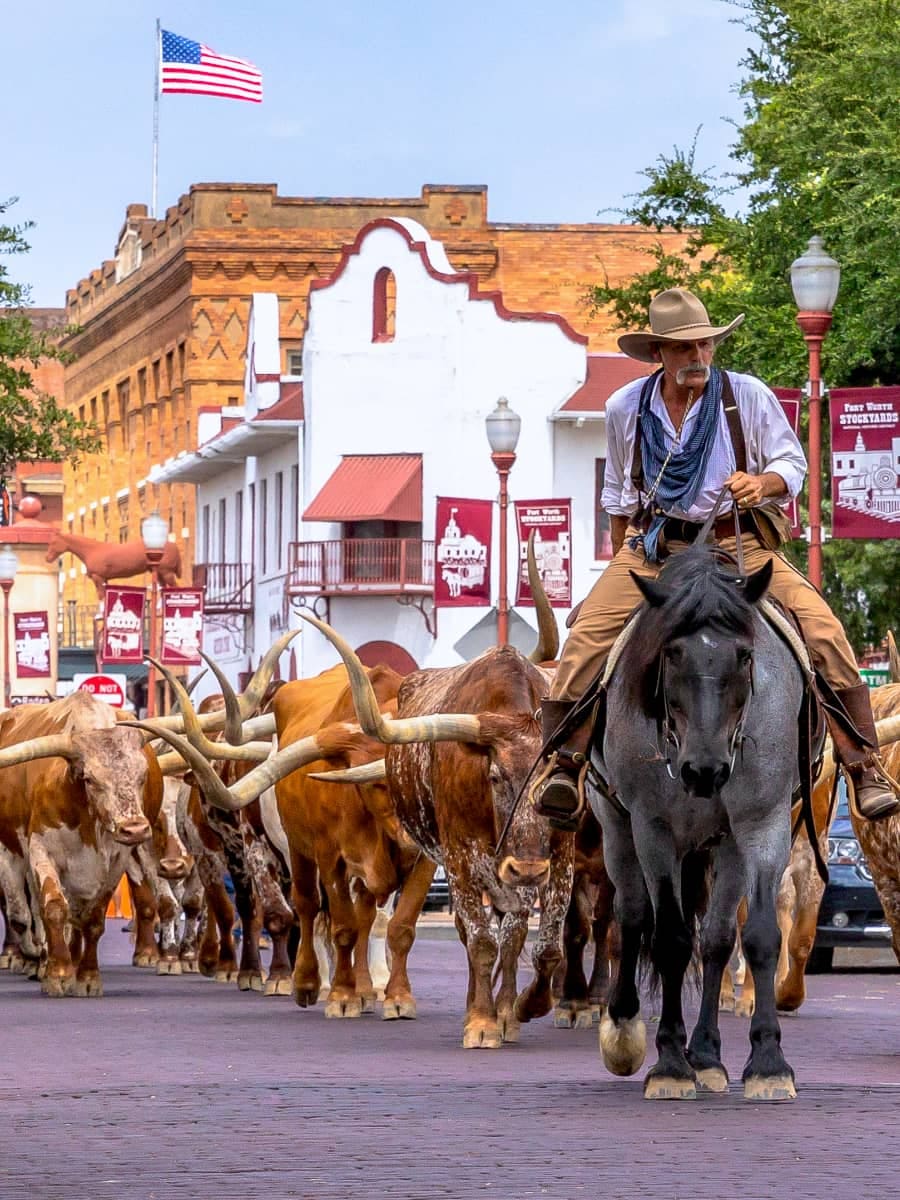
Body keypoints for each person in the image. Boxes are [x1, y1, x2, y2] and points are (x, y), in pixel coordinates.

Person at [534, 287, 900, 828]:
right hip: (657, 546)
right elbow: (617, 496)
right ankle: (563, 765)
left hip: (737, 545)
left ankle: (861, 765)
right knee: (586, 633)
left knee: (824, 631)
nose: (698, 358)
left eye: (705, 345)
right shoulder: (624, 408)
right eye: (684, 349)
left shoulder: (744, 396)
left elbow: (790, 464)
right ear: (658, 352)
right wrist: (622, 566)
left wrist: (761, 482)